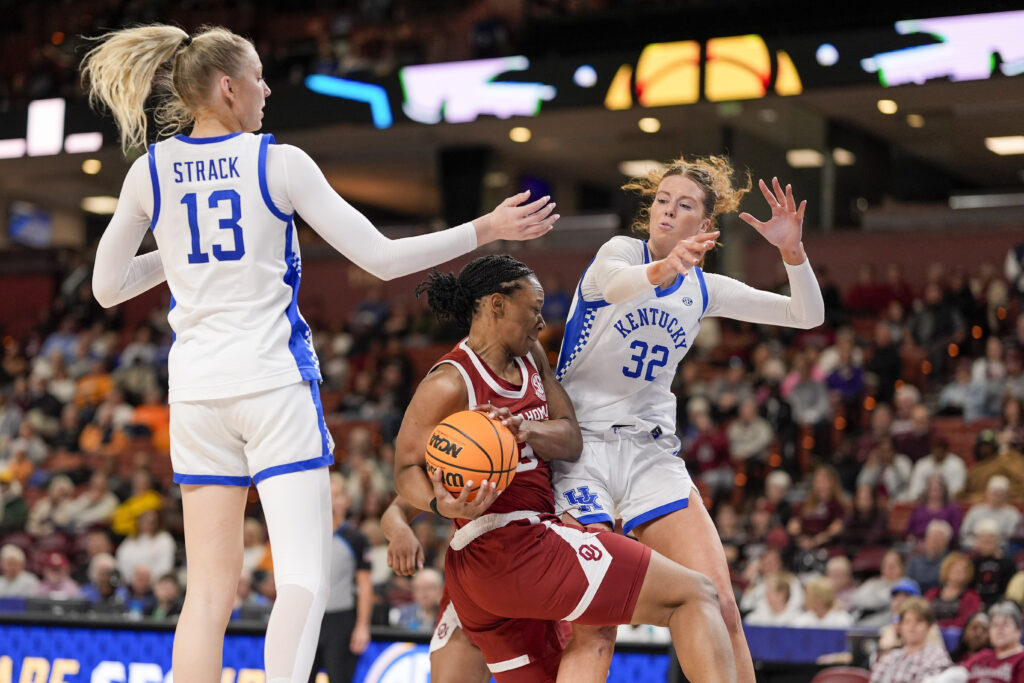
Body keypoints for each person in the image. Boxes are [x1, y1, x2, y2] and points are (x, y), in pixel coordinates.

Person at [80, 24, 558, 683]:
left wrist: (183, 250)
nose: (267, 88)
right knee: (301, 577)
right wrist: (487, 228)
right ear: (227, 87)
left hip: (193, 393)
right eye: (257, 76)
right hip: (271, 384)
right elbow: (382, 258)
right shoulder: (278, 162)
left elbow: (106, 287)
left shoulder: (147, 173)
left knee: (207, 594)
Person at [395, 255, 736, 682]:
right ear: (497, 305)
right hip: (510, 544)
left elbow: (571, 439)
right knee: (695, 593)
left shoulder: (531, 355)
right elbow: (406, 467)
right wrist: (437, 504)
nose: (541, 322)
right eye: (533, 308)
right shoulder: (450, 381)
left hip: (489, 571)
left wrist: (529, 432)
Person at [551, 160, 824, 683]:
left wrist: (793, 253)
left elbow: (806, 315)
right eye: (662, 201)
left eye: (685, 206)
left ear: (705, 226)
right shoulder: (619, 253)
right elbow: (615, 286)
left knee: (720, 602)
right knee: (595, 626)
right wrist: (664, 267)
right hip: (581, 452)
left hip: (652, 455)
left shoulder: (704, 289)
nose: (668, 211)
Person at [308, 472, 372, 683]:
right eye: (328, 494)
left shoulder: (356, 539)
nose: (332, 501)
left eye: (337, 495)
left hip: (341, 620)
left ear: (347, 500)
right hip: (310, 618)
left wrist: (362, 626)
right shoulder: (308, 534)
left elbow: (364, 585)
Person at [926, 602, 1024, 683]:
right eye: (995, 625)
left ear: (1018, 631)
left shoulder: (1021, 659)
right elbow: (956, 675)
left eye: (1005, 625)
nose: (999, 630)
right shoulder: (983, 655)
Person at [869, 598, 952, 683]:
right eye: (907, 622)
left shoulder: (937, 656)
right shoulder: (891, 657)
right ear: (900, 627)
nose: (912, 627)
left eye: (918, 622)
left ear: (929, 626)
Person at [925, 552, 983, 629]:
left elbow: (966, 620)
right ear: (946, 569)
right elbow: (924, 615)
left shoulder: (972, 596)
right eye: (954, 568)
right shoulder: (932, 593)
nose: (957, 572)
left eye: (963, 570)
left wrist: (941, 627)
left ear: (968, 574)